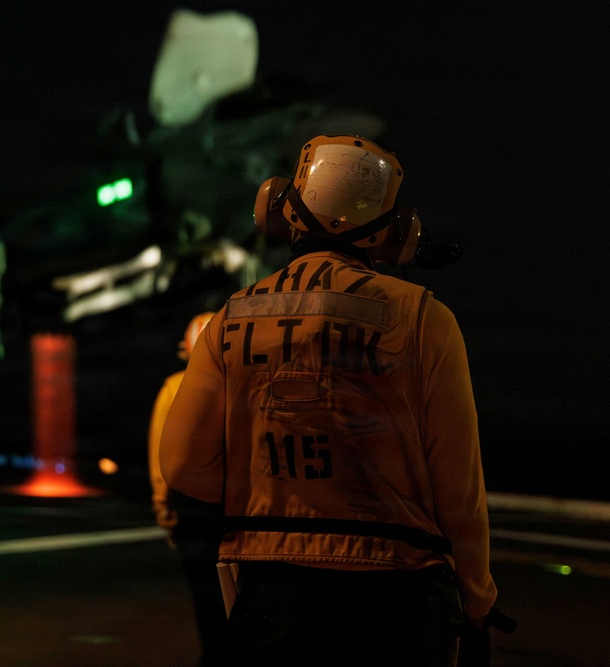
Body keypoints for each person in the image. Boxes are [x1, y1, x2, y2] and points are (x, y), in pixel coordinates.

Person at [159, 135, 499, 666]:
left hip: (270, 590)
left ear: (277, 208)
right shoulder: (424, 318)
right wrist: (478, 592)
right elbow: (458, 486)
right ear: (397, 234)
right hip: (396, 594)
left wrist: (276, 493)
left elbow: (182, 466)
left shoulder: (232, 317)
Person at [148, 311, 228, 667]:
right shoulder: (245, 385)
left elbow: (162, 458)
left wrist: (163, 507)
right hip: (239, 509)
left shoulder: (172, 388)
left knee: (206, 600)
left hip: (194, 511)